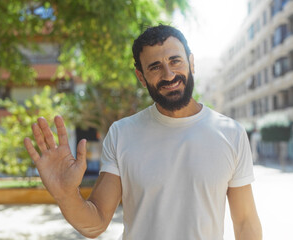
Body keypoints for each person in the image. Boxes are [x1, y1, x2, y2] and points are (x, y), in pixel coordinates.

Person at [24, 24, 262, 240]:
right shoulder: (122, 134)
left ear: (191, 62)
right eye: (155, 67)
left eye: (175, 61)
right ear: (141, 76)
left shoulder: (231, 133)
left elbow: (245, 223)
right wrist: (65, 194)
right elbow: (95, 224)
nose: (169, 75)